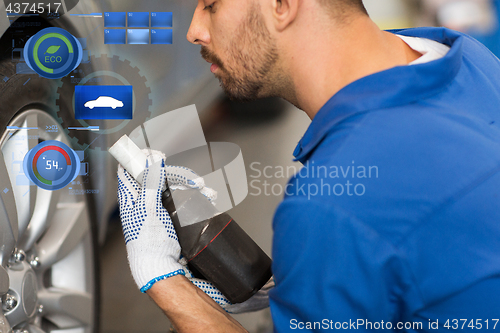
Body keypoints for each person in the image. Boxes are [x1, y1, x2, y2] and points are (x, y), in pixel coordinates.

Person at [116, 0, 500, 331]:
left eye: (212, 5)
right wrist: (303, 279)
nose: (194, 30)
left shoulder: (330, 209)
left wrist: (165, 282)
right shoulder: (465, 56)